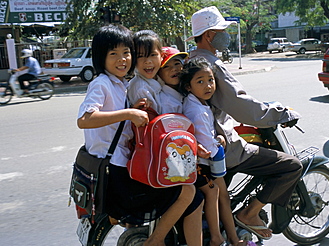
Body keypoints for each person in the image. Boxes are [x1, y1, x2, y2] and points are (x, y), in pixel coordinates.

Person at [77, 24, 203, 246]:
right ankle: (155, 240)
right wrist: (129, 112)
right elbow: (84, 120)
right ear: (100, 57)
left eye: (126, 53)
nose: (122, 59)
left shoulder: (120, 84)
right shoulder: (102, 84)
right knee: (189, 192)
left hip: (120, 167)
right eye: (113, 54)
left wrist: (133, 110)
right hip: (115, 174)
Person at [187, 6, 303, 240]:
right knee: (292, 165)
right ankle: (250, 213)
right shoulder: (211, 66)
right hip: (221, 145)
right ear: (209, 35)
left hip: (201, 143)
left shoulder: (191, 60)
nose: (226, 36)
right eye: (221, 30)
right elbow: (241, 106)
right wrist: (280, 114)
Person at [180, 57, 245, 246]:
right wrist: (219, 141)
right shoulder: (197, 110)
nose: (208, 85)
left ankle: (227, 236)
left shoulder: (199, 104)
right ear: (188, 87)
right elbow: (208, 147)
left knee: (219, 193)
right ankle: (218, 237)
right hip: (202, 164)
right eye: (200, 81)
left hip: (201, 161)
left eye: (210, 80)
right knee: (215, 192)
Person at [127, 30, 164, 113]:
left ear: (162, 56)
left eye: (153, 55)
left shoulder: (161, 78)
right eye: (141, 56)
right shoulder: (141, 88)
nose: (148, 61)